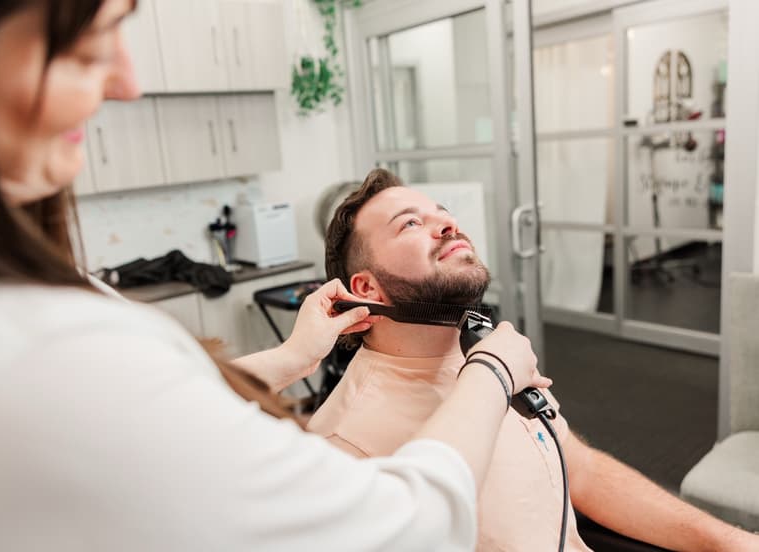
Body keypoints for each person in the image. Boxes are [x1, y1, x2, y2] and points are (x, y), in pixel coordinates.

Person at [0, 2, 553, 550]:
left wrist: (291, 357)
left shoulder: (20, 311)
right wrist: (492, 373)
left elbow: (162, 418)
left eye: (441, 211)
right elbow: (407, 529)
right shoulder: (41, 351)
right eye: (90, 41)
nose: (127, 82)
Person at [309, 168, 759, 551]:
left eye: (442, 212)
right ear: (365, 289)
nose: (447, 225)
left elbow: (578, 468)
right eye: (409, 224)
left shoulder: (489, 353)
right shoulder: (343, 446)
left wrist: (730, 542)